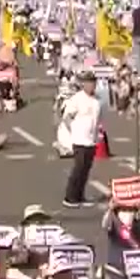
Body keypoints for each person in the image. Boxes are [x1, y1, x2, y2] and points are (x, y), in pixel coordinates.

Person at [59, 70, 102, 208]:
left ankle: (80, 195)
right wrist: (73, 130)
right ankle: (70, 197)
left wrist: (98, 134)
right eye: (89, 83)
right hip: (79, 139)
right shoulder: (77, 99)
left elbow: (98, 119)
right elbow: (66, 117)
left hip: (91, 139)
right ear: (83, 84)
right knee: (78, 168)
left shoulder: (97, 101)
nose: (92, 86)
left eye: (93, 83)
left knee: (85, 169)